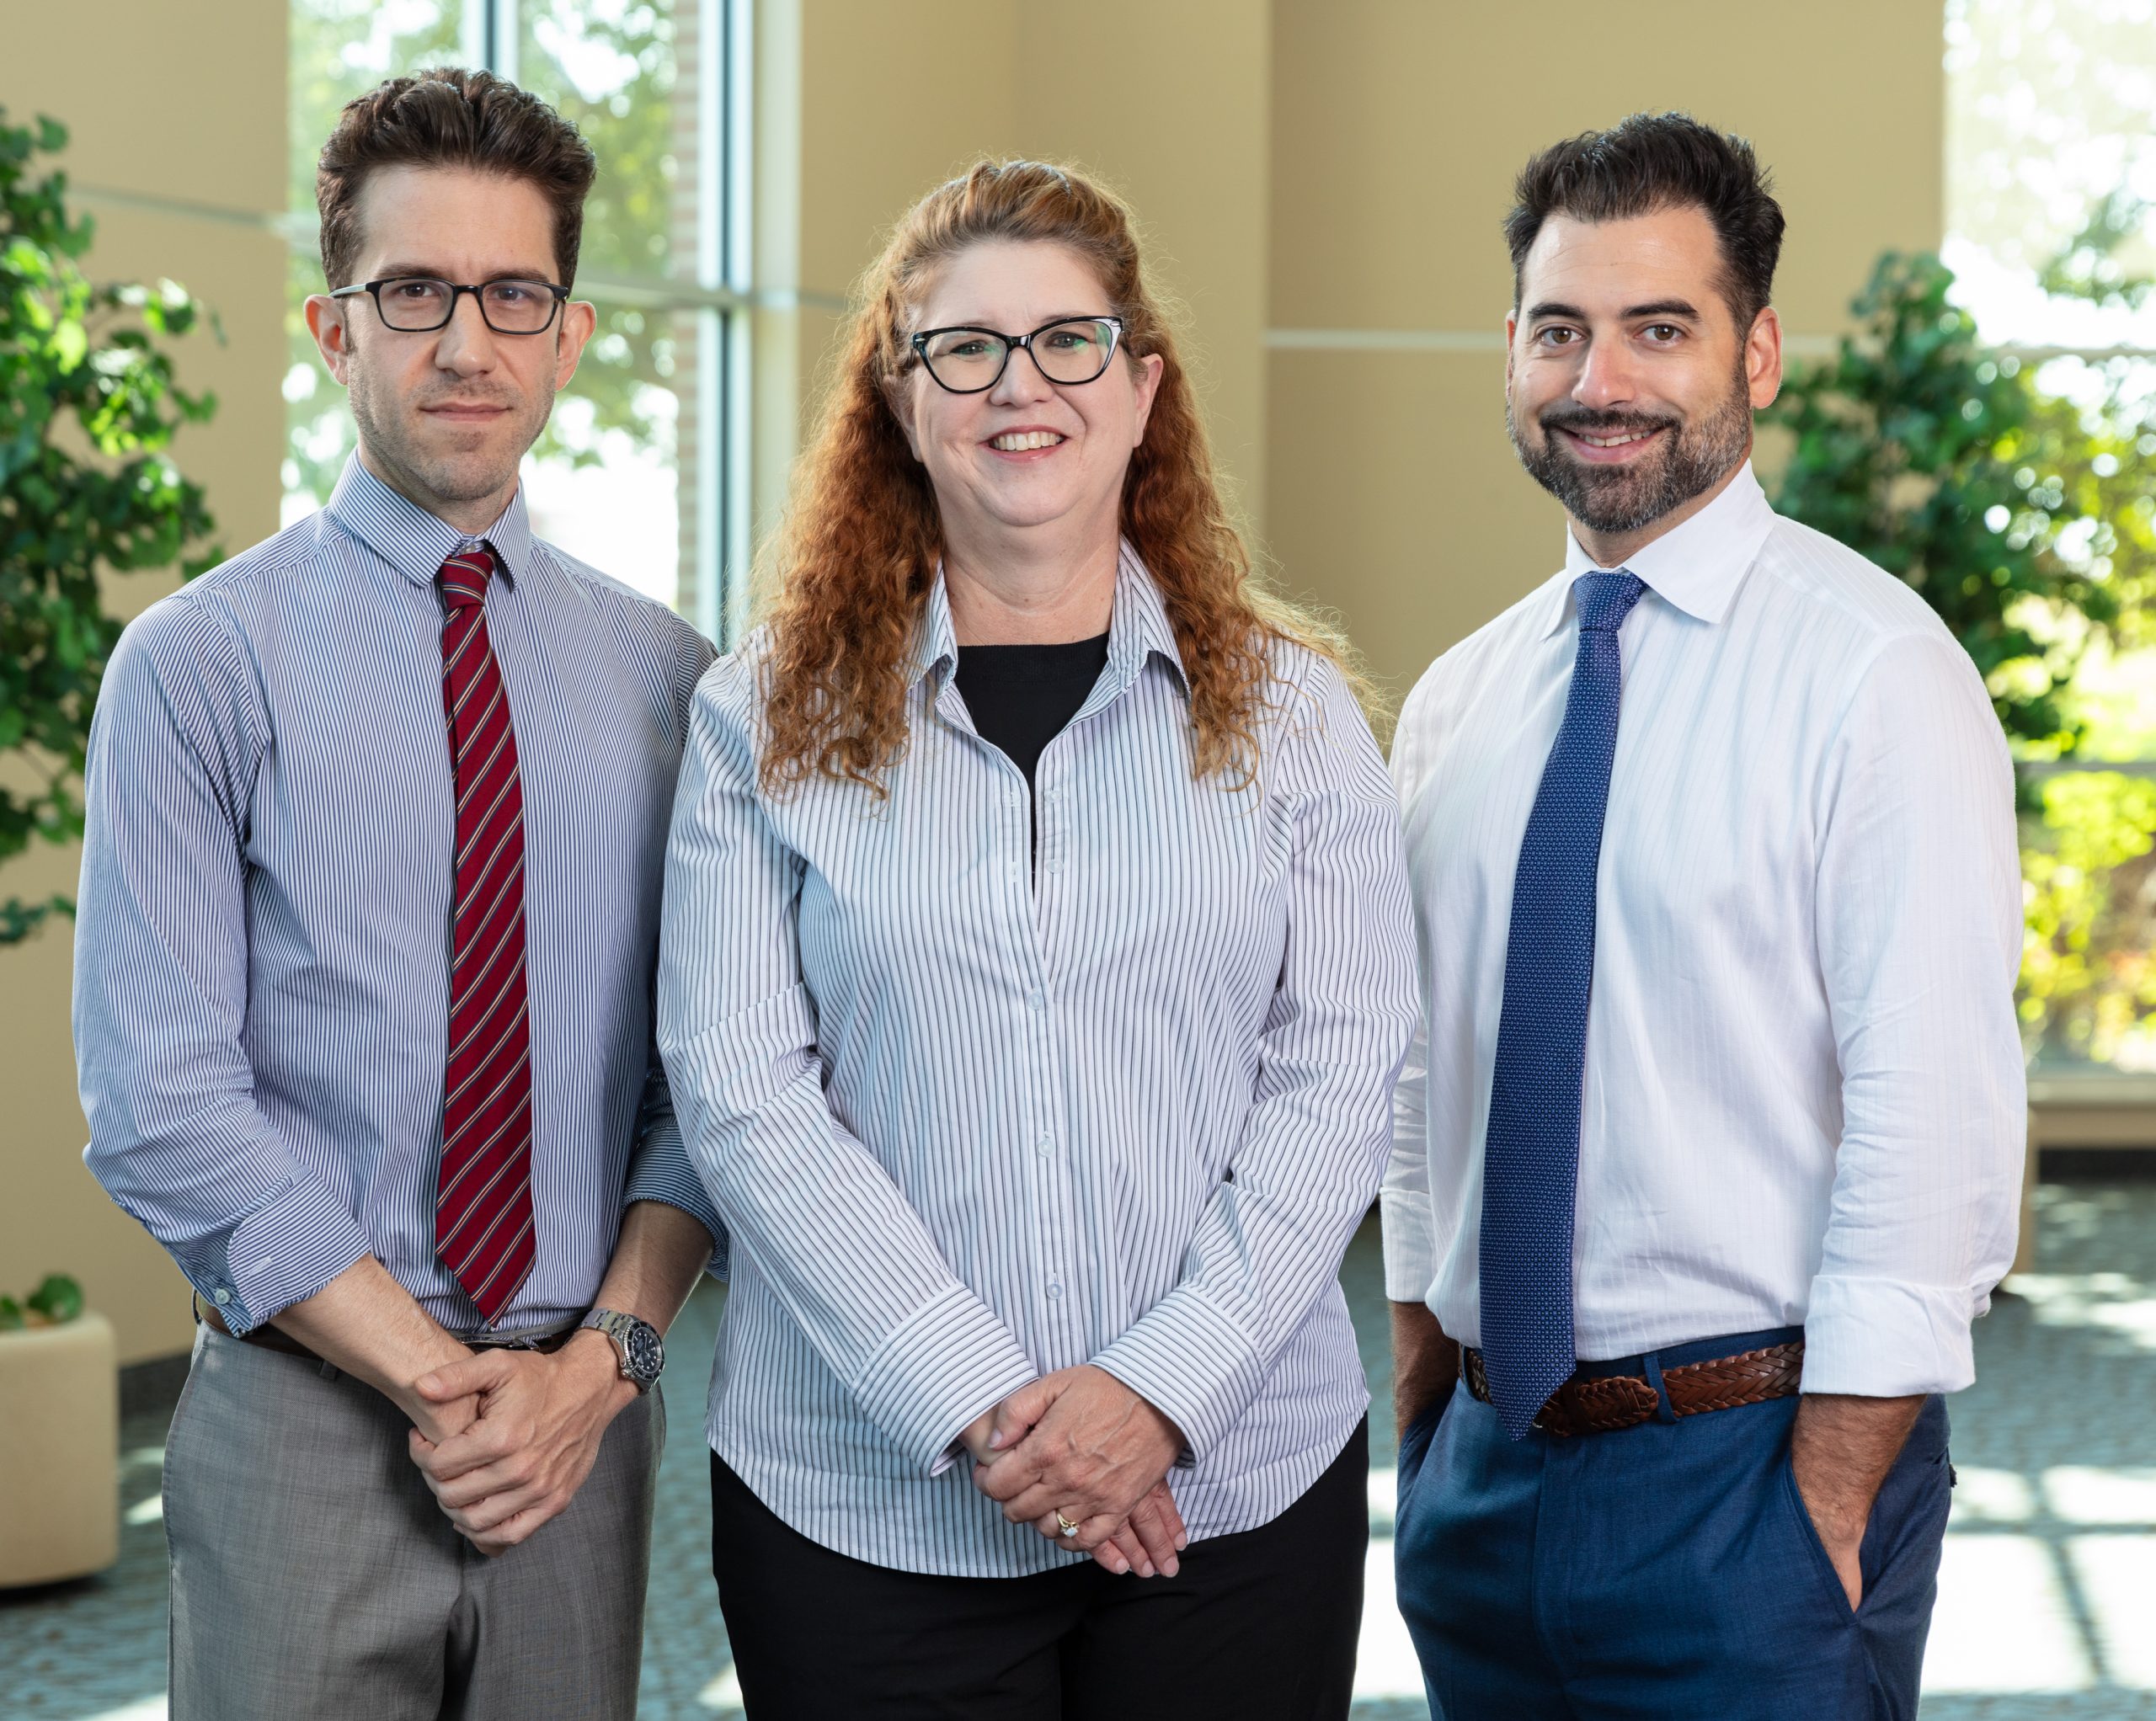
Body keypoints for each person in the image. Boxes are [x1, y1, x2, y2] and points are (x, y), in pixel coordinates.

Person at [658, 158, 1417, 1719]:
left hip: (1234, 1492)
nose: (1022, 385)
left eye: (1069, 342)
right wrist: (987, 1406)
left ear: (1142, 391)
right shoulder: (761, 715)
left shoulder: (1293, 717)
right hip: (863, 1506)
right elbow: (742, 1094)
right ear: (899, 398)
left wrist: (1158, 1392)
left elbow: (1341, 1077)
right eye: (966, 349)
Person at [72, 68, 723, 1720]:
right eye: (415, 292)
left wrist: (596, 1372)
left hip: (581, 1425)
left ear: (569, 337)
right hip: (306, 1409)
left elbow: (704, 1081)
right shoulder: (199, 665)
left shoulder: (674, 681)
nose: (467, 343)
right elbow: (160, 1101)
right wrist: (443, 1380)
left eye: (515, 296)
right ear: (333, 327)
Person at [1384, 113, 2025, 1720]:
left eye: (1659, 329)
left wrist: (1823, 1506)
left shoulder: (1877, 677)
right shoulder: (1461, 700)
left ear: (1759, 354)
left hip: (1754, 1481)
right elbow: (1420, 1082)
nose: (1600, 378)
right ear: (1513, 354)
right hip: (1485, 1479)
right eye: (1559, 329)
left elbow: (1934, 1127)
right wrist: (1426, 1410)